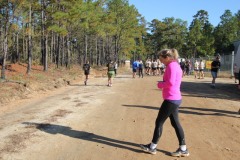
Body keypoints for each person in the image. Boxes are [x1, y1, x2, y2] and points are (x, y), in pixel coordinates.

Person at [139, 48, 189, 157]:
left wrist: (160, 84)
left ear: (167, 58)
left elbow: (170, 82)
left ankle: (152, 147)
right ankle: (183, 149)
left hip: (171, 99)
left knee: (159, 122)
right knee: (175, 123)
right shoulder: (176, 65)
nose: (161, 61)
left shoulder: (171, 66)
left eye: (161, 59)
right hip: (175, 98)